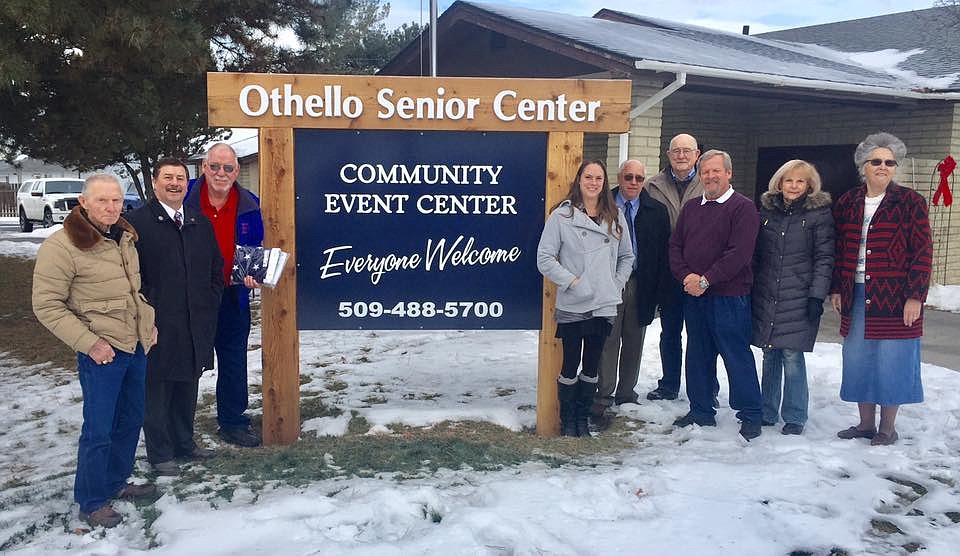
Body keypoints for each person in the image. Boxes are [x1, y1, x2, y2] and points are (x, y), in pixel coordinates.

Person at [32, 174, 158, 528]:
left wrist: (147, 322)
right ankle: (91, 499)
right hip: (101, 351)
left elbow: (133, 291)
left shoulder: (124, 237)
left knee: (132, 419)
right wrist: (90, 343)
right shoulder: (63, 246)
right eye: (102, 200)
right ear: (83, 202)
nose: (111, 207)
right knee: (99, 428)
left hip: (134, 344)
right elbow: (47, 306)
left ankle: (117, 482)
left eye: (116, 200)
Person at [830, 132, 932, 446]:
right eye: (876, 161)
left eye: (889, 162)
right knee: (860, 359)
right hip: (856, 293)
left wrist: (915, 295)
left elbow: (922, 250)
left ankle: (887, 427)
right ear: (864, 165)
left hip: (897, 297)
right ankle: (864, 424)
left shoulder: (910, 202)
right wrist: (837, 288)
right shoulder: (848, 201)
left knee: (893, 360)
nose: (883, 167)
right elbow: (839, 248)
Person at [127, 159, 224, 474]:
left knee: (187, 385)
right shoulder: (137, 224)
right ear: (155, 183)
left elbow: (214, 268)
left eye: (180, 178)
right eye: (167, 177)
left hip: (195, 321)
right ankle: (161, 453)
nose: (174, 183)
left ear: (188, 183)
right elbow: (129, 275)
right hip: (156, 321)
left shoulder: (198, 221)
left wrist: (209, 301)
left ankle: (185, 443)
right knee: (157, 390)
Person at [668, 150, 763, 440]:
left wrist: (706, 280)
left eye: (715, 171)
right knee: (697, 354)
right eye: (705, 172)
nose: (710, 176)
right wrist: (686, 277)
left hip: (729, 297)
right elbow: (675, 246)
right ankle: (701, 410)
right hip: (695, 296)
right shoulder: (692, 207)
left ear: (729, 173)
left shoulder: (743, 208)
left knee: (736, 355)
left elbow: (739, 254)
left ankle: (750, 414)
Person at [537, 160, 634, 437]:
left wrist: (615, 283)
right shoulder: (562, 216)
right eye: (589, 177)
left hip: (603, 303)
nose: (593, 183)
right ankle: (567, 420)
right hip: (574, 301)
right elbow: (544, 258)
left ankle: (582, 418)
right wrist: (573, 282)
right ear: (579, 180)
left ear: (604, 183)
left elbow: (628, 256)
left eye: (599, 178)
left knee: (592, 363)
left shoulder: (615, 215)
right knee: (569, 363)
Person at [185, 143, 264, 447]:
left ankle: (233, 422)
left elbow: (255, 249)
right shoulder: (186, 197)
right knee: (187, 360)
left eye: (228, 168)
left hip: (232, 294)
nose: (221, 173)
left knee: (233, 360)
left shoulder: (250, 204)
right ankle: (179, 428)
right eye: (214, 167)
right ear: (204, 167)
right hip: (191, 296)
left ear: (236, 171)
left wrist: (254, 274)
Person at [752, 160, 834, 436]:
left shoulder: (818, 215)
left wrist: (816, 296)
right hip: (768, 292)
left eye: (800, 181)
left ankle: (795, 415)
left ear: (809, 185)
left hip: (799, 295)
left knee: (792, 354)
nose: (794, 186)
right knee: (769, 352)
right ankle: (767, 410)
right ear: (780, 182)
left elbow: (825, 258)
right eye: (789, 180)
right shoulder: (767, 212)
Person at [593, 160, 671, 422]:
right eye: (628, 177)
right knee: (607, 339)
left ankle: (626, 393)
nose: (634, 183)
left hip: (641, 283)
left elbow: (663, 254)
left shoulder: (656, 211)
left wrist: (659, 291)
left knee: (634, 340)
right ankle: (603, 394)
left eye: (639, 178)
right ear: (619, 178)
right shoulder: (602, 206)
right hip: (609, 281)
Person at [645, 133, 712, 402]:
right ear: (668, 155)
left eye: (687, 151)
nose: (681, 156)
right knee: (670, 332)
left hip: (702, 274)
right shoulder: (652, 186)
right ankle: (669, 384)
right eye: (676, 151)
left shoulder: (709, 182)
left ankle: (706, 389)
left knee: (701, 336)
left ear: (697, 154)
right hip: (669, 272)